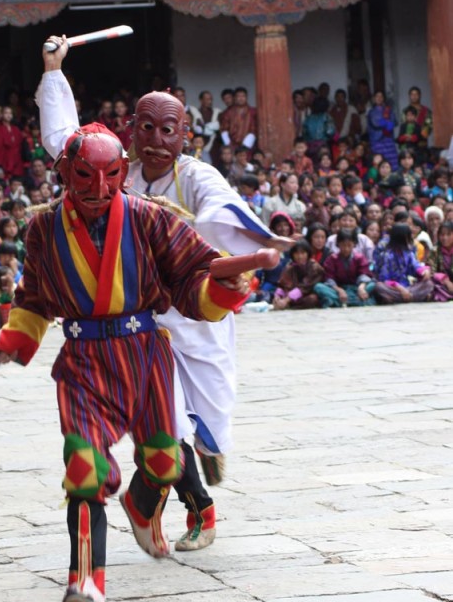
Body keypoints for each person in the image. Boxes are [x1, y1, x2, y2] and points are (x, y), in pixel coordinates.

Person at [0, 120, 250, 602]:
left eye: (111, 176)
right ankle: (86, 581)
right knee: (83, 467)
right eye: (86, 176)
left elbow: (192, 275)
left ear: (122, 174)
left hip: (145, 352)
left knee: (165, 459)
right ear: (66, 172)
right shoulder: (42, 228)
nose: (100, 190)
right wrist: (17, 338)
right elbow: (35, 296)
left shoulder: (150, 218)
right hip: (84, 360)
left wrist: (224, 287)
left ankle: (142, 504)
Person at [36, 36, 282, 554]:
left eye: (166, 130)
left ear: (183, 135)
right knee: (166, 429)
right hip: (141, 325)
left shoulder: (196, 177)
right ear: (131, 131)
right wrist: (54, 72)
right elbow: (63, 140)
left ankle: (148, 501)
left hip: (198, 315)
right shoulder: (111, 171)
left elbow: (220, 211)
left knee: (211, 429)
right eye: (144, 127)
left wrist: (257, 243)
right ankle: (198, 512)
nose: (154, 139)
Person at [373, 223, 433, 304]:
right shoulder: (386, 256)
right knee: (379, 287)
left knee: (428, 283)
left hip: (407, 287)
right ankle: (410, 297)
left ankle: (400, 298)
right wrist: (400, 289)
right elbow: (384, 279)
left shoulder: (408, 253)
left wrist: (424, 272)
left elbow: (416, 267)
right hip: (393, 288)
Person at [322, 229, 376, 307]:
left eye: (349, 245)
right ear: (338, 244)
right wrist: (340, 290)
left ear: (354, 244)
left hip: (356, 287)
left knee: (373, 284)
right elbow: (329, 279)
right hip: (338, 288)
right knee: (318, 287)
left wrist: (361, 288)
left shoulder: (359, 258)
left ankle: (340, 302)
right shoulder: (331, 259)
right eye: (343, 245)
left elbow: (364, 274)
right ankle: (356, 301)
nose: (346, 249)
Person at [272, 240, 328, 310]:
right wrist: (277, 297)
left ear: (308, 254)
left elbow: (304, 287)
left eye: (303, 253)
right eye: (297, 253)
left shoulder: (314, 268)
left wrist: (286, 300)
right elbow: (282, 285)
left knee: (312, 299)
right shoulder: (290, 267)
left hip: (306, 295)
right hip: (290, 297)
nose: (300, 256)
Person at [368, 91, 399, 169]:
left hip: (388, 139)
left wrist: (387, 123)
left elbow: (394, 122)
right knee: (379, 161)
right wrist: (386, 122)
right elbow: (375, 123)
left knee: (392, 161)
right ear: (374, 99)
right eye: (377, 96)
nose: (379, 98)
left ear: (383, 98)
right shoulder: (371, 112)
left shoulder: (389, 110)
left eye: (381, 96)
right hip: (377, 140)